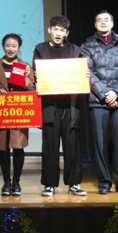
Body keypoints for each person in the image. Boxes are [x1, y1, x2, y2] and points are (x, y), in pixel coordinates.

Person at [81, 11, 118, 195]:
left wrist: (116, 92)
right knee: (100, 144)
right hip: (98, 100)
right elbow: (87, 72)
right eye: (99, 20)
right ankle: (104, 182)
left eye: (106, 20)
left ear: (112, 23)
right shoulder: (87, 45)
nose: (103, 22)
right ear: (95, 24)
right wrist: (105, 94)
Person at [33, 15, 87, 197]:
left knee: (72, 146)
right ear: (49, 30)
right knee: (50, 146)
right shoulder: (40, 49)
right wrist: (36, 76)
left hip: (71, 105)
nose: (58, 33)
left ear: (67, 33)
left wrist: (85, 75)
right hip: (49, 106)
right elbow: (36, 73)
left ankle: (74, 183)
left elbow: (82, 74)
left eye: (62, 30)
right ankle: (49, 184)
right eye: (55, 29)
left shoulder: (76, 50)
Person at [0, 33, 35, 196]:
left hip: (19, 112)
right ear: (3, 47)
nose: (10, 49)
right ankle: (6, 182)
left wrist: (26, 77)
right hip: (1, 111)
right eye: (7, 45)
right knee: (3, 148)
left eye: (14, 46)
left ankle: (16, 182)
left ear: (19, 48)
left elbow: (32, 89)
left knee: (18, 148)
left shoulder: (25, 66)